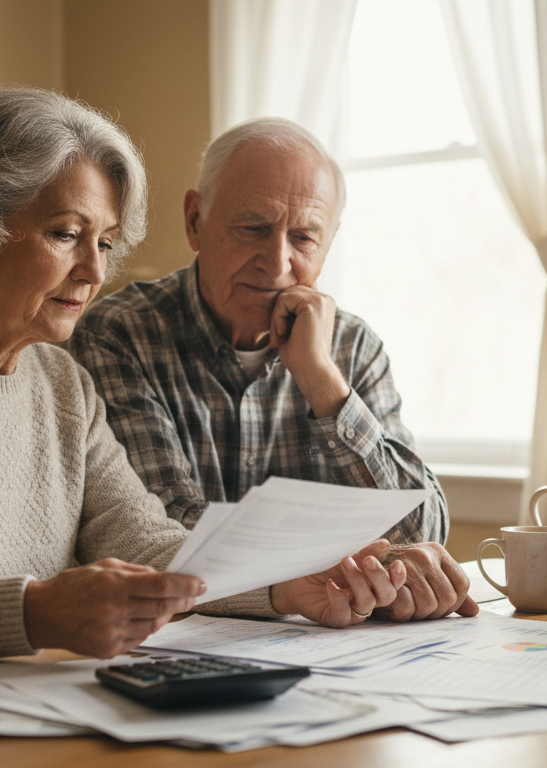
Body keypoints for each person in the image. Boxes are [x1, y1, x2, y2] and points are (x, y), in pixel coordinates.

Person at [0, 90, 412, 676]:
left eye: (107, 243)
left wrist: (283, 587)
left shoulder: (61, 383)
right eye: (66, 234)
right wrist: (34, 612)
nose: (95, 271)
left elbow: (146, 543)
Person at [69, 118, 478, 622]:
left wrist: (323, 382)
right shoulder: (119, 336)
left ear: (329, 243)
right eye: (253, 228)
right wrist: (354, 567)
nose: (277, 261)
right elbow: (162, 529)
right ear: (195, 220)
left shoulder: (352, 348)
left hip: (330, 656)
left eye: (304, 237)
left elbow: (423, 532)